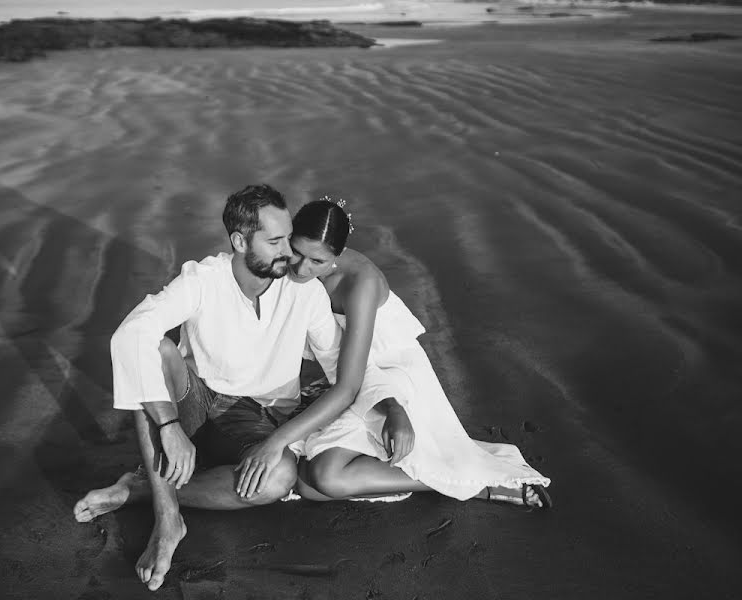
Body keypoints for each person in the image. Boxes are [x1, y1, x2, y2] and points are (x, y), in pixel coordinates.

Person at [72, 185, 366, 591]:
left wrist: (393, 405)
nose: (291, 255)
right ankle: (168, 518)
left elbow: (341, 371)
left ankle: (141, 488)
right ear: (241, 241)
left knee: (279, 478)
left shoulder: (305, 292)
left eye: (289, 239)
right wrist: (170, 426)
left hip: (259, 420)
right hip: (199, 403)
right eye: (277, 241)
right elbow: (130, 334)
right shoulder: (203, 279)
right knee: (153, 348)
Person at [288, 199, 552, 507]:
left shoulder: (360, 283)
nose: (302, 267)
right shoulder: (290, 263)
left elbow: (362, 374)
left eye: (316, 261)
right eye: (297, 252)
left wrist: (394, 410)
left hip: (389, 378)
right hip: (351, 375)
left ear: (338, 254)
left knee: (326, 477)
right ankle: (444, 474)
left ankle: (473, 484)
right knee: (308, 485)